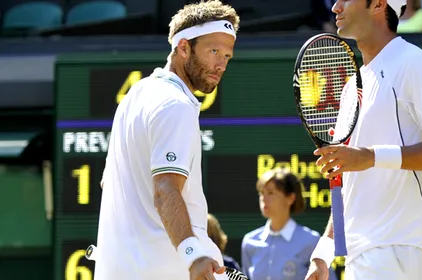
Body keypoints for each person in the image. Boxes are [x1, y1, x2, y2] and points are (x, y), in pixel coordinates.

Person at [305, 0, 422, 279]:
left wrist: (370, 157)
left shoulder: (416, 63)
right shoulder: (350, 90)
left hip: (399, 247)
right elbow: (350, 188)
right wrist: (323, 253)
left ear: (378, 4)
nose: (335, 7)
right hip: (365, 253)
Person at [88, 1, 240, 279]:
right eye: (214, 51)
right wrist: (193, 256)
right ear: (183, 48)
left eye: (227, 56)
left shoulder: (135, 96)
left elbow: (107, 182)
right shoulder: (175, 105)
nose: (221, 65)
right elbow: (165, 189)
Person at [241, 169, 337, 280]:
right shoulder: (249, 242)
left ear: (290, 198)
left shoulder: (311, 241)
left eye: (271, 193)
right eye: (261, 193)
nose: (263, 199)